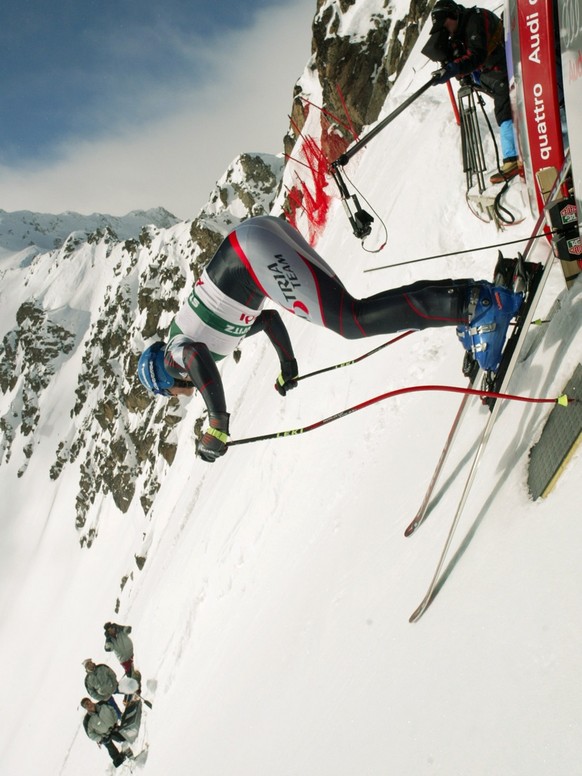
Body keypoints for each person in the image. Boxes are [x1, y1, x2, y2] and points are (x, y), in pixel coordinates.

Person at [137, 215, 523, 462]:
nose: (176, 396)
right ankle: (469, 297)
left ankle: (477, 306)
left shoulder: (175, 352)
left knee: (351, 321)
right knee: (352, 313)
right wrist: (288, 366)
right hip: (256, 238)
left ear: (164, 379)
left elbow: (195, 360)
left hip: (252, 256)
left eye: (168, 392)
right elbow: (267, 320)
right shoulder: (202, 332)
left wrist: (217, 423)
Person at [429, 0, 520, 183]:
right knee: (504, 102)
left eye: (445, 24)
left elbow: (476, 55)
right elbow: (464, 60)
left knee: (504, 104)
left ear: (453, 15)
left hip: (507, 64)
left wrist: (454, 68)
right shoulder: (459, 31)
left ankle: (513, 159)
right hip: (491, 72)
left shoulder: (475, 20)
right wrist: (451, 65)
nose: (446, 30)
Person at [81, 697, 128, 768]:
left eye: (88, 702)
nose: (89, 705)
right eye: (86, 705)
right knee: (111, 749)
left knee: (124, 738)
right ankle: (121, 764)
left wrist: (115, 722)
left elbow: (112, 710)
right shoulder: (87, 721)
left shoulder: (102, 704)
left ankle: (129, 752)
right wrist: (101, 739)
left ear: (91, 701)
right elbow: (91, 734)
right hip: (104, 736)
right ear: (85, 708)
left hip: (113, 728)